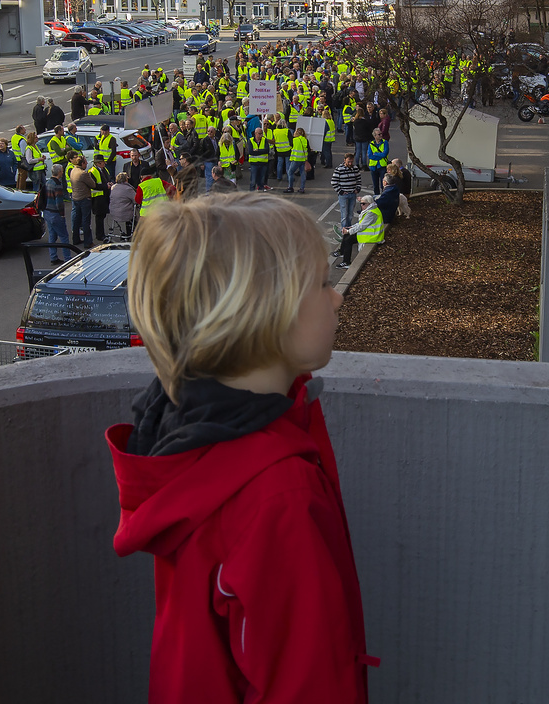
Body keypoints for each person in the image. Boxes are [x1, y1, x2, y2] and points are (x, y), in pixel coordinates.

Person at [107, 194, 371, 703]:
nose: (336, 297)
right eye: (320, 283)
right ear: (262, 313)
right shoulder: (276, 495)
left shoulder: (188, 437)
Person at [335, 193, 386, 269]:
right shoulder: (371, 209)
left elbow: (361, 226)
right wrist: (351, 227)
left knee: (348, 239)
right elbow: (361, 223)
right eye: (361, 203)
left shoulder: (371, 213)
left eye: (363, 204)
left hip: (371, 237)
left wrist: (349, 231)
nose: (361, 205)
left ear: (369, 203)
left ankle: (346, 261)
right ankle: (343, 254)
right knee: (347, 236)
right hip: (370, 234)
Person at [36, 174, 69, 266]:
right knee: (64, 237)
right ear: (60, 173)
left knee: (52, 236)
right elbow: (59, 202)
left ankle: (53, 257)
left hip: (47, 213)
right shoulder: (57, 185)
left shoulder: (48, 182)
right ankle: (68, 259)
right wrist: (62, 215)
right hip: (55, 214)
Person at [68, 152, 95, 248]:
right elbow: (93, 185)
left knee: (76, 220)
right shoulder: (83, 174)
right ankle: (88, 242)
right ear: (82, 163)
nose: (87, 164)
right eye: (85, 162)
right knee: (86, 221)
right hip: (84, 199)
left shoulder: (73, 170)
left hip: (75, 198)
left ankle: (75, 239)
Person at [331, 152, 363, 230]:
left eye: (351, 161)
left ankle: (348, 229)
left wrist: (358, 189)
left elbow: (358, 179)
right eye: (348, 161)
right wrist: (340, 191)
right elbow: (334, 182)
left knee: (350, 214)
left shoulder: (355, 168)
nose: (350, 163)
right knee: (344, 214)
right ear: (344, 160)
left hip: (352, 194)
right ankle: (344, 230)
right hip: (343, 195)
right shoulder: (339, 169)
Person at [108, 169, 139, 239]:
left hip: (114, 212)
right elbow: (136, 200)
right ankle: (133, 232)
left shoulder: (113, 187)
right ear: (126, 180)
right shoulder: (128, 189)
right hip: (125, 213)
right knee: (135, 210)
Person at [284, 123, 311, 194]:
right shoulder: (305, 140)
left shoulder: (294, 140)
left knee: (290, 172)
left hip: (296, 159)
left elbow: (291, 146)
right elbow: (308, 149)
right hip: (303, 159)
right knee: (303, 174)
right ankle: (302, 188)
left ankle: (290, 187)